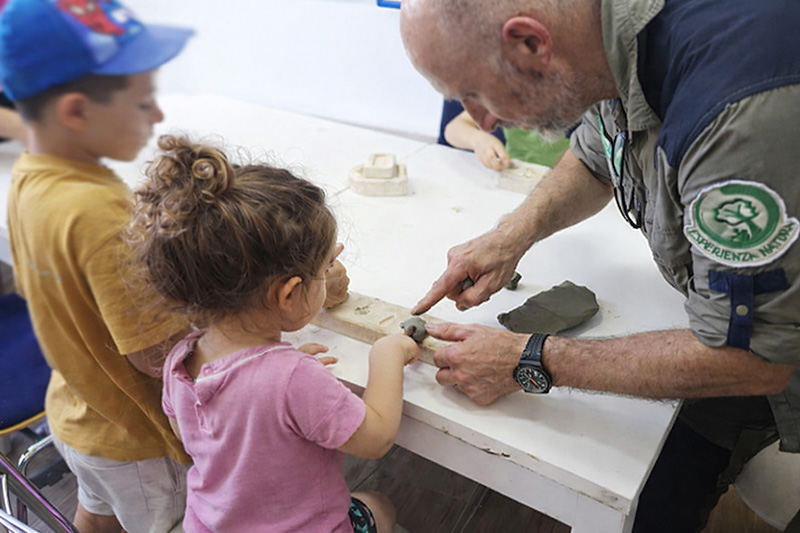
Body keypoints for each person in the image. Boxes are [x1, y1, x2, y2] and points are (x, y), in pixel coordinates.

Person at [399, 0, 800, 531]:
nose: (485, 121)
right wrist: (511, 236)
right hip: (749, 325)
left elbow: (751, 354)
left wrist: (530, 358)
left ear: (530, 43)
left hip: (766, 345)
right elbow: (599, 152)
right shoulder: (598, 39)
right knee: (645, 497)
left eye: (475, 94)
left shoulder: (736, 112)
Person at [126, 134, 420, 533]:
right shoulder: (291, 380)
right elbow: (377, 438)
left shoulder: (179, 360)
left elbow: (194, 435)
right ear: (287, 294)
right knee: (380, 506)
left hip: (212, 525)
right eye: (321, 273)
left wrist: (277, 391)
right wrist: (387, 354)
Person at [0, 1, 196, 531]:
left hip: (78, 409)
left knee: (98, 507)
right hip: (138, 438)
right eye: (143, 103)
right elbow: (158, 355)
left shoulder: (32, 177)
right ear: (76, 112)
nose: (157, 117)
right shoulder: (98, 212)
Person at [443, 100, 569, 171]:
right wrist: (478, 140)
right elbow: (453, 128)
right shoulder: (506, 96)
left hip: (567, 178)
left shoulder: (575, 103)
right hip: (514, 173)